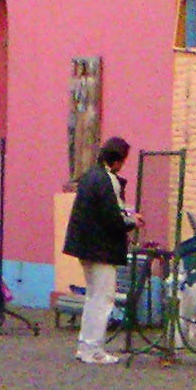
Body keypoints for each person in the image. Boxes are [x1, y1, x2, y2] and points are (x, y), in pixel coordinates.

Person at [62, 136, 139, 364]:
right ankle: (94, 349)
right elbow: (112, 218)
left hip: (85, 247)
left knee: (93, 296)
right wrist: (132, 222)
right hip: (101, 249)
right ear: (117, 160)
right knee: (103, 298)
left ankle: (85, 345)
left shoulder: (89, 177)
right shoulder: (107, 181)